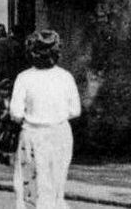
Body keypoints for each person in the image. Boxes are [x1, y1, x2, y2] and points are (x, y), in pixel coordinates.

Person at [10, 29, 82, 209]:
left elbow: (16, 114)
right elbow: (75, 110)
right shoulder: (65, 77)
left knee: (32, 189)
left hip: (33, 136)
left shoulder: (24, 78)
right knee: (56, 185)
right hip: (60, 135)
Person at [0, 78, 19, 165]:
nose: (4, 92)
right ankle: (3, 153)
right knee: (2, 139)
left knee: (11, 139)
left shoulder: (14, 100)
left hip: (11, 123)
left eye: (6, 90)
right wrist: (0, 114)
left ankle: (8, 154)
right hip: (2, 124)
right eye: (2, 90)